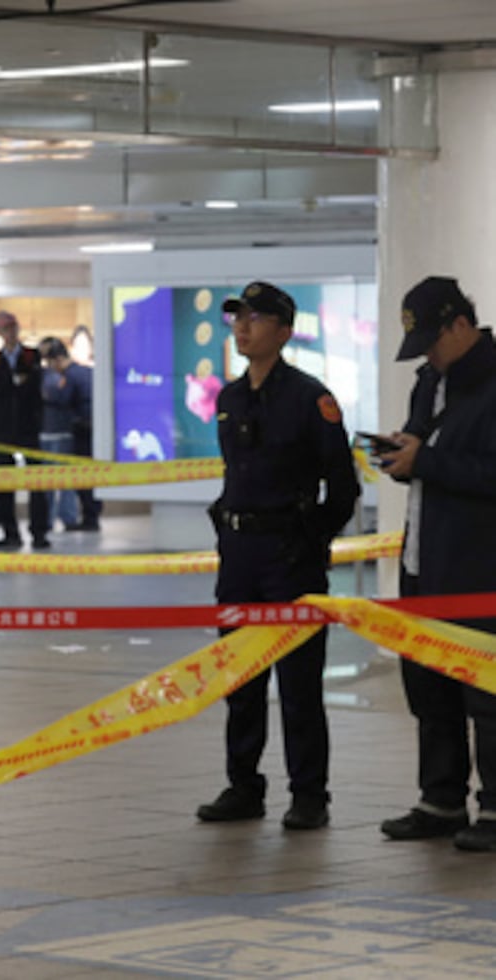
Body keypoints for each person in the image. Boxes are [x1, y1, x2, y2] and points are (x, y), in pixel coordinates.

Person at [197, 281, 359, 831]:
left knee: (298, 684)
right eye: (238, 317)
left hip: (289, 556)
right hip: (239, 555)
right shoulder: (230, 398)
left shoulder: (312, 399)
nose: (243, 326)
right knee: (238, 677)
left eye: (257, 318)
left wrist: (310, 541)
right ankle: (243, 786)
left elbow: (343, 489)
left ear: (284, 332)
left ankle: (309, 795)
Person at [377, 276, 496, 852]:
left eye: (433, 340)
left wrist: (430, 461)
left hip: (480, 568)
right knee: (429, 685)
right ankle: (440, 798)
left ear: (461, 324)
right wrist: (403, 452)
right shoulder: (430, 382)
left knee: (487, 692)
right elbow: (428, 452)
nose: (428, 354)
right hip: (425, 557)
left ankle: (495, 809)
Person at [0, 310, 50, 550]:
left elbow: (35, 387)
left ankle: (39, 531)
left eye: (13, 327)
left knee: (36, 483)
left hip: (28, 427)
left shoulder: (31, 355)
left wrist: (20, 386)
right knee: (3, 483)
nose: (11, 332)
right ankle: (9, 531)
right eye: (5, 328)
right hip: (2, 430)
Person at [44, 338, 101, 531]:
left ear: (58, 359)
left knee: (83, 477)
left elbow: (64, 398)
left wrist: (49, 395)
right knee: (91, 476)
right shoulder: (87, 371)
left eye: (51, 363)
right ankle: (91, 517)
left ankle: (89, 519)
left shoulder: (70, 376)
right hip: (94, 429)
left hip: (82, 429)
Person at [38, 337, 80, 532]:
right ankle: (47, 518)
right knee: (47, 481)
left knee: (66, 480)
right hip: (46, 432)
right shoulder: (43, 376)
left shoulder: (68, 377)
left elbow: (61, 396)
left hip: (62, 432)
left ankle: (67, 517)